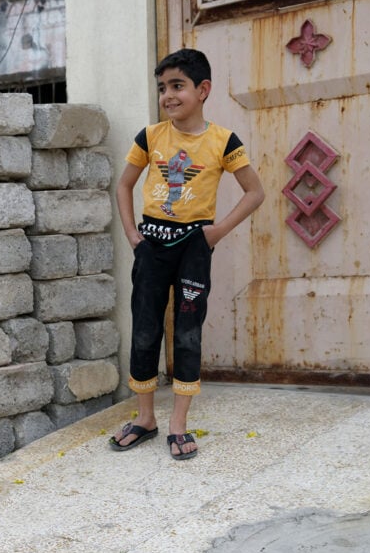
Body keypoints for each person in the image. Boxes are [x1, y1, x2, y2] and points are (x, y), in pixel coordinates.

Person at [111, 48, 264, 461]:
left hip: (194, 248)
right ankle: (145, 418)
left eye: (177, 86)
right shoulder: (151, 137)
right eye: (163, 88)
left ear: (203, 90)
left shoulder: (223, 141)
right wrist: (131, 233)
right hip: (151, 246)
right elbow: (124, 184)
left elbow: (255, 192)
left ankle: (178, 424)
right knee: (145, 329)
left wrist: (215, 232)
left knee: (188, 332)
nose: (168, 95)